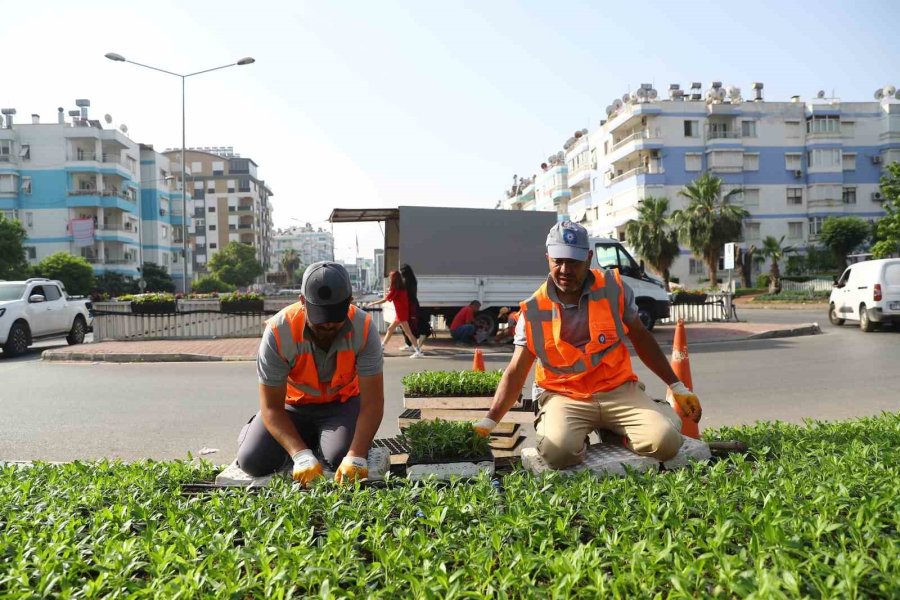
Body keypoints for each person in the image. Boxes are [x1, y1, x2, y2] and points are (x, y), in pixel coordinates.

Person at [472, 221, 701, 469]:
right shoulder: (534, 311)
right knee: (559, 453)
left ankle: (624, 429)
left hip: (618, 390)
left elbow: (641, 338)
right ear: (547, 257)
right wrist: (490, 421)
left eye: (573, 262)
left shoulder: (614, 290)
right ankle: (576, 432)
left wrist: (677, 386)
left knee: (665, 443)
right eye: (558, 260)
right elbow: (516, 372)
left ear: (589, 257)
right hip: (564, 396)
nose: (564, 269)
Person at [236, 261, 385, 486]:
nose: (327, 327)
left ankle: (321, 440)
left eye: (335, 322)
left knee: (341, 457)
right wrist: (300, 455)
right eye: (320, 321)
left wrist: (356, 455)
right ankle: (277, 436)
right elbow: (272, 407)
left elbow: (373, 402)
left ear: (349, 303)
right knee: (253, 460)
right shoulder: (278, 331)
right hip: (292, 408)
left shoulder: (363, 328)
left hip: (341, 405)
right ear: (303, 302)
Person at [369, 270, 424, 358]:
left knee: (408, 333)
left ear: (393, 279)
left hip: (401, 314)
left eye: (391, 277)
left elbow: (385, 299)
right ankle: (382, 347)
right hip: (401, 312)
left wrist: (373, 303)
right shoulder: (402, 288)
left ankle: (418, 350)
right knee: (390, 329)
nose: (390, 279)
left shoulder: (395, 289)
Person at [399, 263, 431, 354]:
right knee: (409, 324)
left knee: (407, 324)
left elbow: (403, 294)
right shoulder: (413, 280)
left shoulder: (405, 282)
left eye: (401, 271)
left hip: (409, 306)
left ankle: (410, 344)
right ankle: (410, 343)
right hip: (414, 304)